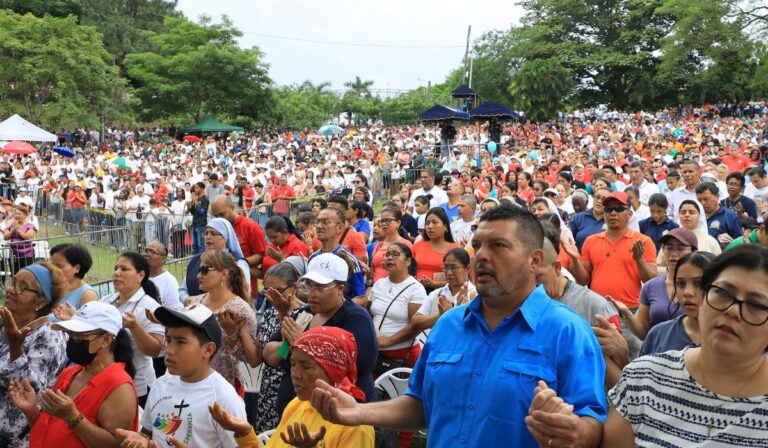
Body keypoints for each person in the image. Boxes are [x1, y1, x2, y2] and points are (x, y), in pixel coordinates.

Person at [310, 206, 607, 448]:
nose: (482, 256)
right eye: (477, 245)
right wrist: (358, 411)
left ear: (535, 260)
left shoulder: (568, 332)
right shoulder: (449, 324)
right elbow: (421, 405)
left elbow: (593, 426)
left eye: (499, 246)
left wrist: (573, 432)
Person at [603, 246, 768, 446]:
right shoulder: (642, 378)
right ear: (703, 300)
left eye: (757, 305)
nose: (733, 310)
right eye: (723, 293)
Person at [263, 253, 377, 417]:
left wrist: (303, 344)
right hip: (297, 410)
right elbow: (269, 356)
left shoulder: (355, 318)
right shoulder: (305, 312)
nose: (312, 294)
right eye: (309, 286)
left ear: (340, 289)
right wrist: (286, 345)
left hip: (337, 413)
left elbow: (359, 366)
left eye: (320, 288)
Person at [118, 303, 247, 447]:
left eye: (181, 342)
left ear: (208, 350)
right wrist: (141, 439)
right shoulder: (160, 385)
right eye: (168, 340)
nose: (169, 350)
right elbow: (148, 432)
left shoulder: (224, 399)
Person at [10, 301, 138, 447]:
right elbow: (48, 429)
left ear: (106, 340)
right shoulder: (70, 373)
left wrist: (73, 417)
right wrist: (31, 410)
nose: (73, 342)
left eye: (79, 337)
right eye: (71, 336)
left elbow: (116, 444)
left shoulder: (119, 386)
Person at [568, 191, 657, 360]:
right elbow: (583, 279)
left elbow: (651, 280)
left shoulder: (643, 241)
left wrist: (639, 260)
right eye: (608, 209)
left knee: (632, 360)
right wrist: (575, 259)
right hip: (598, 312)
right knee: (598, 361)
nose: (613, 213)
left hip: (629, 314)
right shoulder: (591, 241)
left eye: (619, 208)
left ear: (629, 213)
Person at [0, 263, 68, 448]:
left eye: (22, 287)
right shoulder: (6, 321)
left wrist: (16, 347)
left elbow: (32, 390)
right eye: (12, 282)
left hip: (15, 438)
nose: (11, 290)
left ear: (41, 302)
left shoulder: (49, 335)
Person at [84, 252, 164, 408]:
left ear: (140, 275)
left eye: (124, 269)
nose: (116, 273)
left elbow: (155, 350)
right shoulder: (106, 301)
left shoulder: (149, 306)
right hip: (106, 380)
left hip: (137, 384)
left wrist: (135, 327)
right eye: (116, 268)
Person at [186, 250, 260, 394]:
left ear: (224, 274)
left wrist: (232, 333)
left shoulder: (241, 310)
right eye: (199, 270)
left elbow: (249, 359)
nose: (198, 275)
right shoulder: (195, 303)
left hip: (223, 386)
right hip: (192, 381)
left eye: (205, 270)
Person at [615, 228, 696, 341]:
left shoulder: (703, 286)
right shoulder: (651, 287)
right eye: (669, 248)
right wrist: (627, 314)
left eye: (680, 248)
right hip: (657, 353)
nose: (674, 253)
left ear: (693, 252)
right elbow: (643, 333)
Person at [253, 261, 306, 433]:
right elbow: (260, 354)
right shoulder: (269, 314)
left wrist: (284, 314)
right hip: (268, 387)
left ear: (295, 288)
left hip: (289, 387)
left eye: (278, 291)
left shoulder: (305, 315)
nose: (271, 296)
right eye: (267, 290)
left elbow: (284, 353)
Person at [640, 251, 716, 356]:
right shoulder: (658, 335)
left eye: (699, 283)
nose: (687, 292)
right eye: (680, 283)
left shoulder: (730, 338)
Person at [367, 242, 428, 373]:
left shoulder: (416, 289)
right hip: (375, 354)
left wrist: (388, 341)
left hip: (402, 356)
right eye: (387, 254)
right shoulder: (379, 284)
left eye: (395, 254)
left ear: (408, 261)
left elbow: (416, 326)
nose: (389, 258)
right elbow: (369, 313)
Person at [180, 218, 252, 301]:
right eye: (206, 233)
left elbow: (244, 293)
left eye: (213, 233)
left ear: (225, 237)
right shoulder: (195, 261)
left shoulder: (238, 263)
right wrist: (187, 299)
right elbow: (183, 290)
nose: (208, 237)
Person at [211, 195, 266, 299]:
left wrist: (238, 264)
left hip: (244, 288)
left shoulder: (251, 227)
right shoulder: (217, 228)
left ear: (232, 208)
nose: (219, 219)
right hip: (222, 289)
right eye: (216, 216)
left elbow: (260, 255)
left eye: (222, 214)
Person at [412, 248, 476, 332]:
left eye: (454, 268)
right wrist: (440, 315)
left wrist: (451, 313)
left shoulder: (475, 294)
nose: (449, 273)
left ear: (467, 268)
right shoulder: (437, 294)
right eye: (445, 268)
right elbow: (415, 322)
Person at [309, 208, 366, 301]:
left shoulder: (349, 259)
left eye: (326, 222)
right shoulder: (313, 258)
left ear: (340, 228)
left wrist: (341, 311)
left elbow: (361, 297)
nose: (319, 226)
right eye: (317, 221)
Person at [657, 200, 722, 267]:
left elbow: (719, 268)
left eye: (691, 212)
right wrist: (673, 271)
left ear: (700, 216)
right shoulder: (670, 238)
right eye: (683, 212)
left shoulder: (710, 241)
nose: (687, 215)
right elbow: (658, 266)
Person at [47, 244, 98, 322]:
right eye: (52, 266)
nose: (52, 270)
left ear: (77, 268)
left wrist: (73, 320)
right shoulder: (51, 287)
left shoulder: (87, 295)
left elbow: (90, 329)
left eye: (59, 266)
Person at [412, 208, 457, 292]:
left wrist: (434, 284)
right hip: (415, 291)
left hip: (443, 293)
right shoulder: (417, 246)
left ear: (445, 226)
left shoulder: (454, 249)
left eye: (434, 222)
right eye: (427, 223)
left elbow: (459, 279)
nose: (430, 226)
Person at [370, 206, 412, 283]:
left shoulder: (406, 244)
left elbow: (410, 269)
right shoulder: (379, 245)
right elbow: (373, 269)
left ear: (398, 223)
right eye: (382, 221)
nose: (384, 224)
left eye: (388, 220)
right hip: (376, 287)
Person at [696, 182, 742, 246]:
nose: (703, 203)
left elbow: (739, 242)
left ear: (717, 196)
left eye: (706, 199)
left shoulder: (730, 216)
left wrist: (731, 242)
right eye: (699, 200)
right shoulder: (695, 216)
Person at [568, 187, 609, 251]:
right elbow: (569, 241)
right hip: (580, 259)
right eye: (597, 197)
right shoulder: (578, 218)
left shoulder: (612, 220)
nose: (599, 201)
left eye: (604, 199)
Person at [4, 204, 38, 274]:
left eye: (20, 214)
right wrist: (12, 231)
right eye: (15, 214)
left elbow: (30, 237)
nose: (17, 216)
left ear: (25, 215)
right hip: (14, 256)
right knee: (15, 275)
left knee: (27, 275)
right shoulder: (11, 226)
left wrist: (19, 231)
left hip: (27, 257)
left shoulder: (30, 226)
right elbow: (5, 237)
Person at [188, 182, 209, 255]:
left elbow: (202, 212)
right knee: (194, 245)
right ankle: (195, 261)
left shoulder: (205, 199)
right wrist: (190, 206)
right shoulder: (197, 199)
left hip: (201, 225)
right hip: (194, 224)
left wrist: (196, 202)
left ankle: (202, 262)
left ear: (202, 188)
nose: (195, 189)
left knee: (201, 244)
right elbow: (194, 212)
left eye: (196, 188)